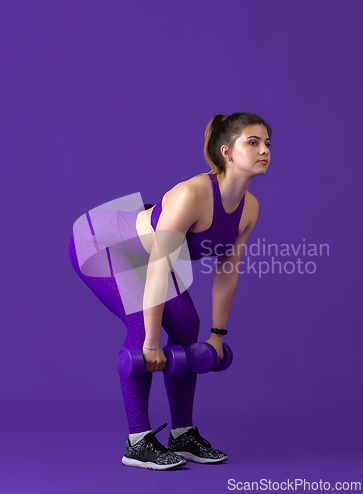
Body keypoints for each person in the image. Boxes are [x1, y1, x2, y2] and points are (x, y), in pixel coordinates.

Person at [68, 112, 272, 470]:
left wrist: (217, 336)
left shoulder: (249, 209)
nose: (263, 150)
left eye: (267, 143)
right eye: (252, 142)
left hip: (144, 251)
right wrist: (150, 343)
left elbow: (227, 271)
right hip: (103, 241)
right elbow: (160, 267)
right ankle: (138, 441)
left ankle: (183, 434)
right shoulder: (192, 194)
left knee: (186, 327)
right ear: (227, 151)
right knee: (141, 325)